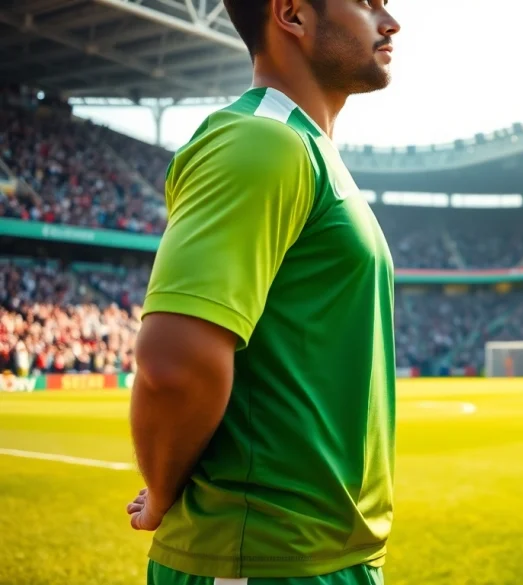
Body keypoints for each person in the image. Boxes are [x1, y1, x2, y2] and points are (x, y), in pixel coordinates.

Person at [126, 1, 400, 584]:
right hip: (260, 556)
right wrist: (162, 492)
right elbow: (174, 364)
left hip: (320, 556)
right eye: (367, 2)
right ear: (293, 14)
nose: (390, 21)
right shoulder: (259, 141)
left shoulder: (304, 149)